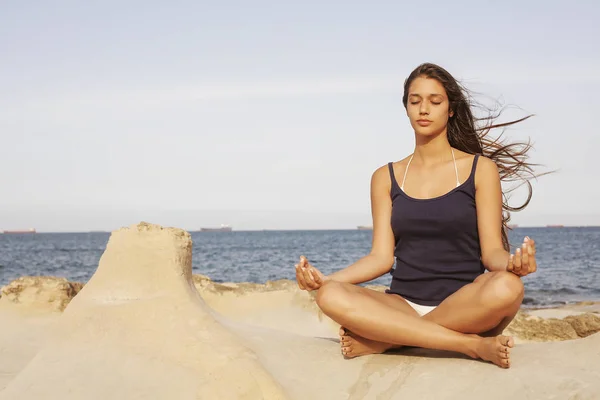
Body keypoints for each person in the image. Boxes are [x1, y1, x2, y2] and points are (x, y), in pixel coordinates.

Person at [294, 63, 541, 369]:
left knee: (509, 287)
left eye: (435, 101)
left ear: (450, 109)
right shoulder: (385, 176)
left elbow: (491, 253)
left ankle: (386, 340)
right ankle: (470, 344)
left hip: (465, 305)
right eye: (415, 101)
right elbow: (381, 258)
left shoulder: (480, 170)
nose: (424, 109)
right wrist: (325, 280)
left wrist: (514, 265)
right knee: (330, 296)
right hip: (402, 306)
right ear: (406, 108)